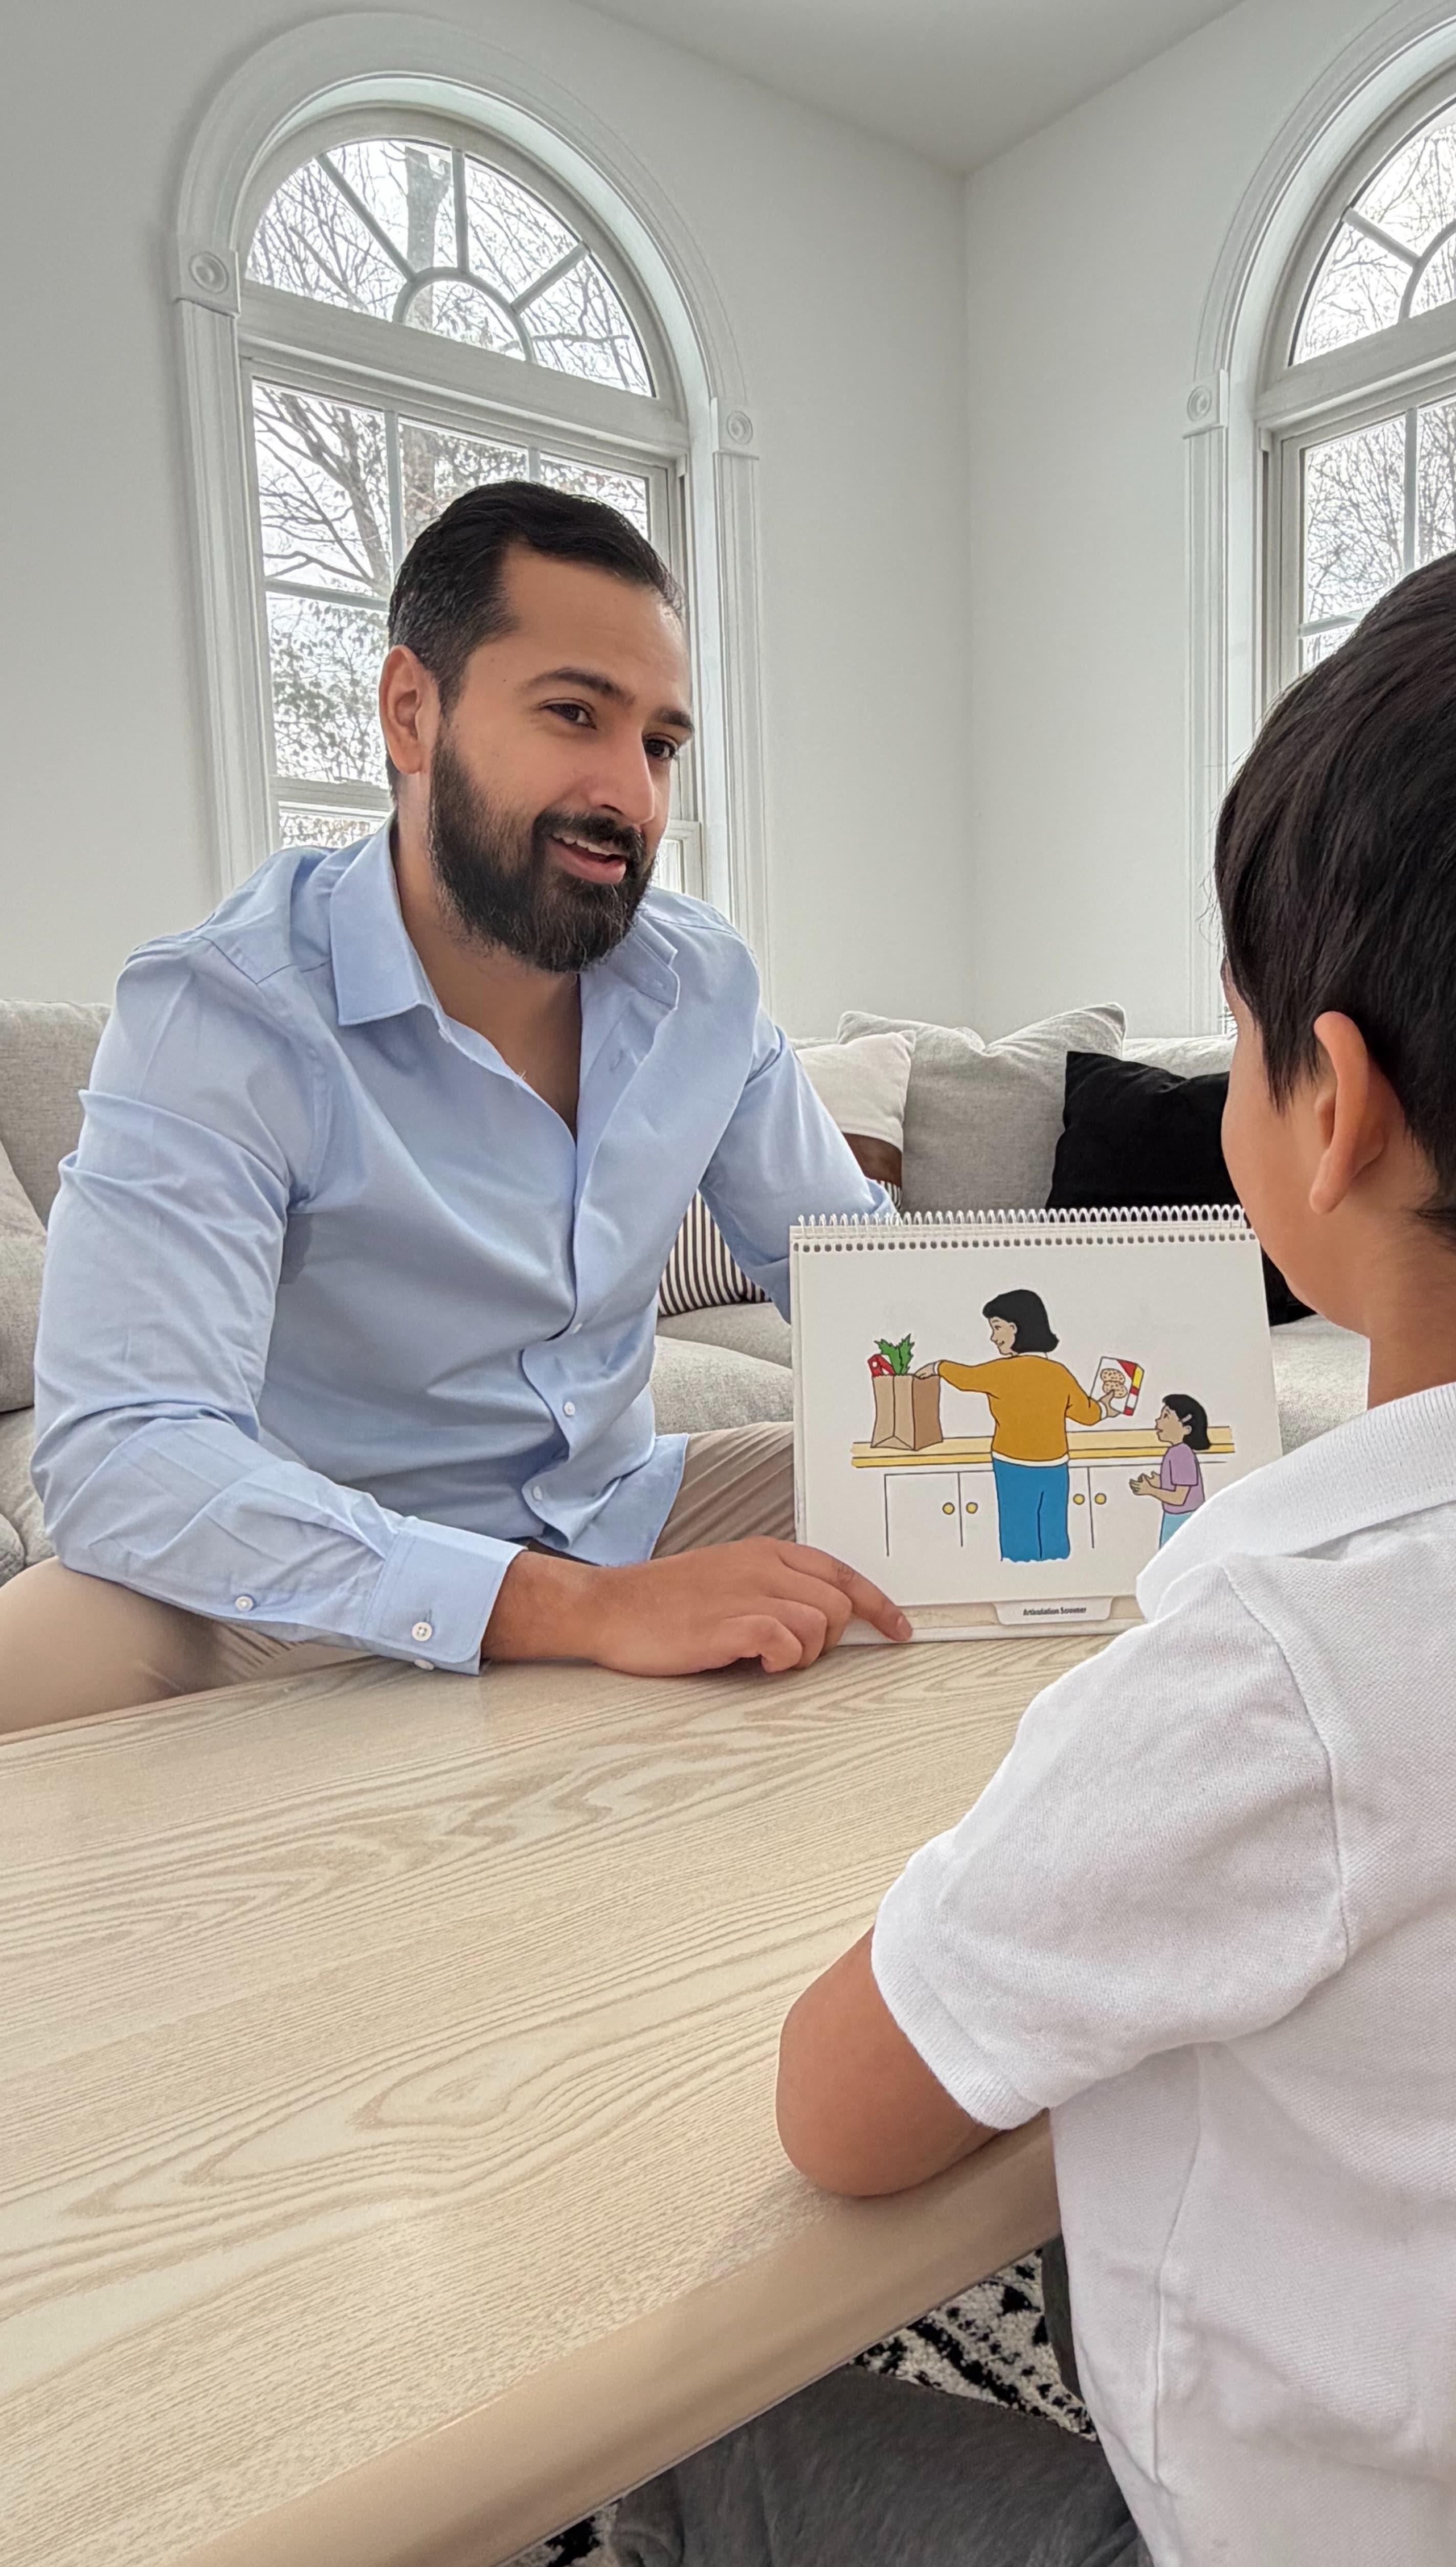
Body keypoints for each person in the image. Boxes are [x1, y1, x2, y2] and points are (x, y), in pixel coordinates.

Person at [603, 511, 1456, 2567]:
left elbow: (841, 2107)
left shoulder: (1270, 1669)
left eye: (1234, 1035)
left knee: (681, 2447)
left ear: (1334, 1109)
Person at [0, 481, 907, 1737]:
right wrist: (571, 1611)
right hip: (316, 1569)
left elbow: (869, 1286)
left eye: (657, 744)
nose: (631, 796)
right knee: (33, 1666)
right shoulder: (224, 1009)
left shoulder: (705, 983)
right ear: (410, 711)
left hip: (619, 1513)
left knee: (984, 1532)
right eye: (573, 713)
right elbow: (126, 1449)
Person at [919, 1291, 1125, 1562]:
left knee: (1018, 1531)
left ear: (1015, 1328)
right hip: (1055, 1466)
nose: (993, 1338)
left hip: (1013, 1465)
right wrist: (1107, 1407)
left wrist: (938, 1366)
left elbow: (965, 1378)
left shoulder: (1001, 1372)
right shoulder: (1059, 1373)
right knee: (1053, 1530)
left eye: (997, 1328)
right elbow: (1087, 1413)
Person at [1129, 1393, 1209, 1544]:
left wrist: (1150, 1490)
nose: (1158, 1420)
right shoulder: (1176, 1452)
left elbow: (1179, 1498)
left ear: (1186, 1429)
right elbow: (1178, 1486)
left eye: (1166, 1416)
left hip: (1184, 1519)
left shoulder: (1182, 1455)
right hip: (1176, 1517)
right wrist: (1160, 1482)